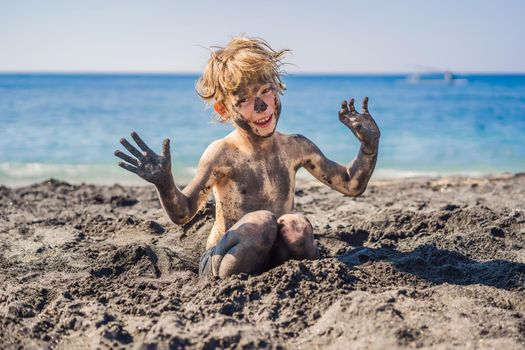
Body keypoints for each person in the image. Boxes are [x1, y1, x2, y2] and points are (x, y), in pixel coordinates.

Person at [114, 37, 380, 279]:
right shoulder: (222, 153)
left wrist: (369, 147)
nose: (262, 105)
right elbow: (183, 213)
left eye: (266, 90)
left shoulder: (295, 146)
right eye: (245, 100)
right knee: (260, 222)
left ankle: (294, 277)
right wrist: (164, 183)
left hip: (275, 261)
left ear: (277, 90)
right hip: (224, 261)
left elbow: (351, 184)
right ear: (224, 108)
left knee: (297, 226)